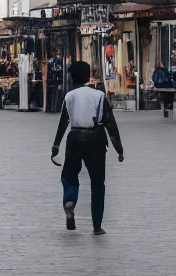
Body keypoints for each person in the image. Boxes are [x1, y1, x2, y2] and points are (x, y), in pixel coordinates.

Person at [51, 61, 125, 235]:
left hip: (74, 138)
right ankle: (97, 226)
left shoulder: (69, 96)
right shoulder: (99, 96)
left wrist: (55, 146)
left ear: (72, 77)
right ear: (87, 76)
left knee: (69, 175)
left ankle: (70, 199)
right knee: (98, 183)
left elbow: (63, 122)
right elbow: (110, 122)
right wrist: (119, 148)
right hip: (95, 139)